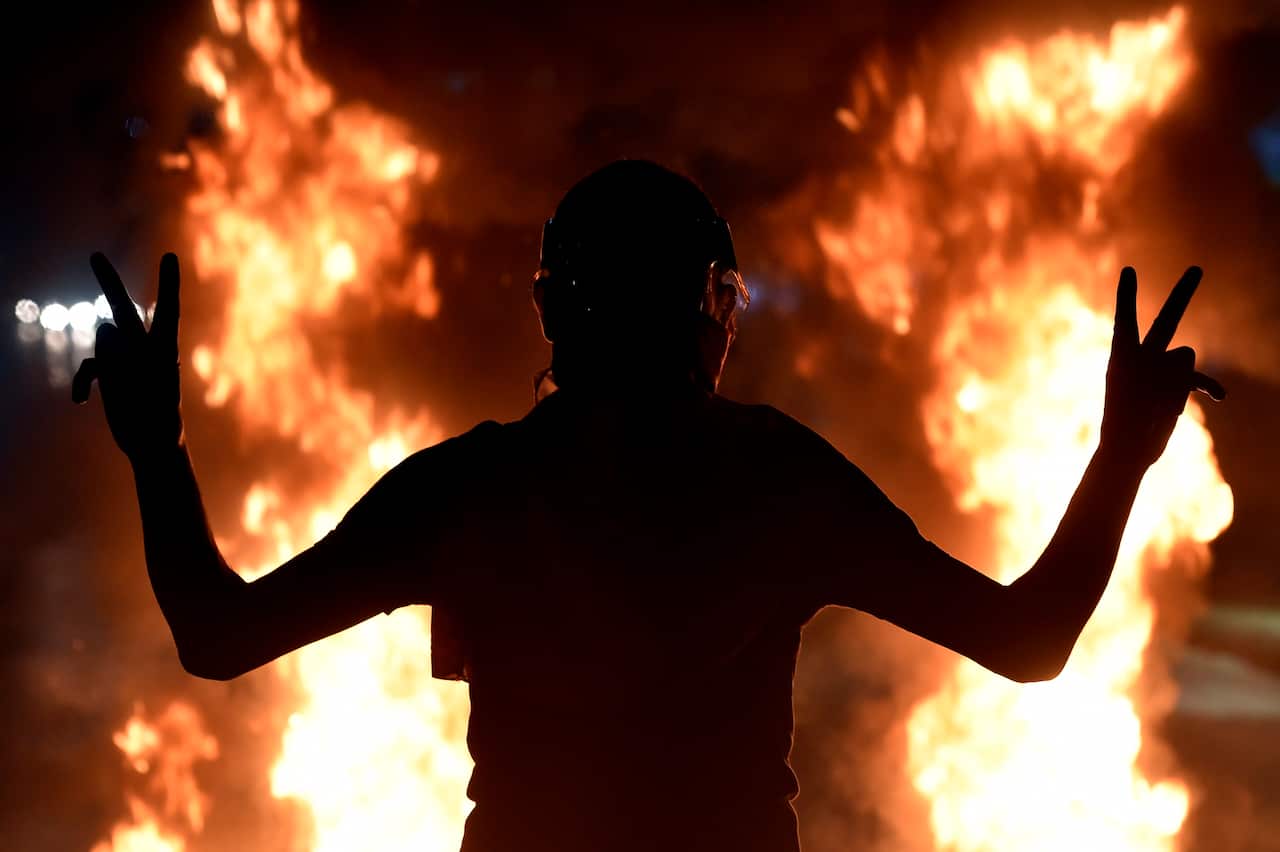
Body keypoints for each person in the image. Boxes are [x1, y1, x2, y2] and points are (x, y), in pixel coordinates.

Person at [73, 160, 1225, 852]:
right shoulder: (774, 479)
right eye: (726, 298)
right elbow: (1027, 640)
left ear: (550, 315)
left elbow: (217, 635)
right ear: (709, 309)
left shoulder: (469, 489)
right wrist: (1120, 455)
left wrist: (156, 450)